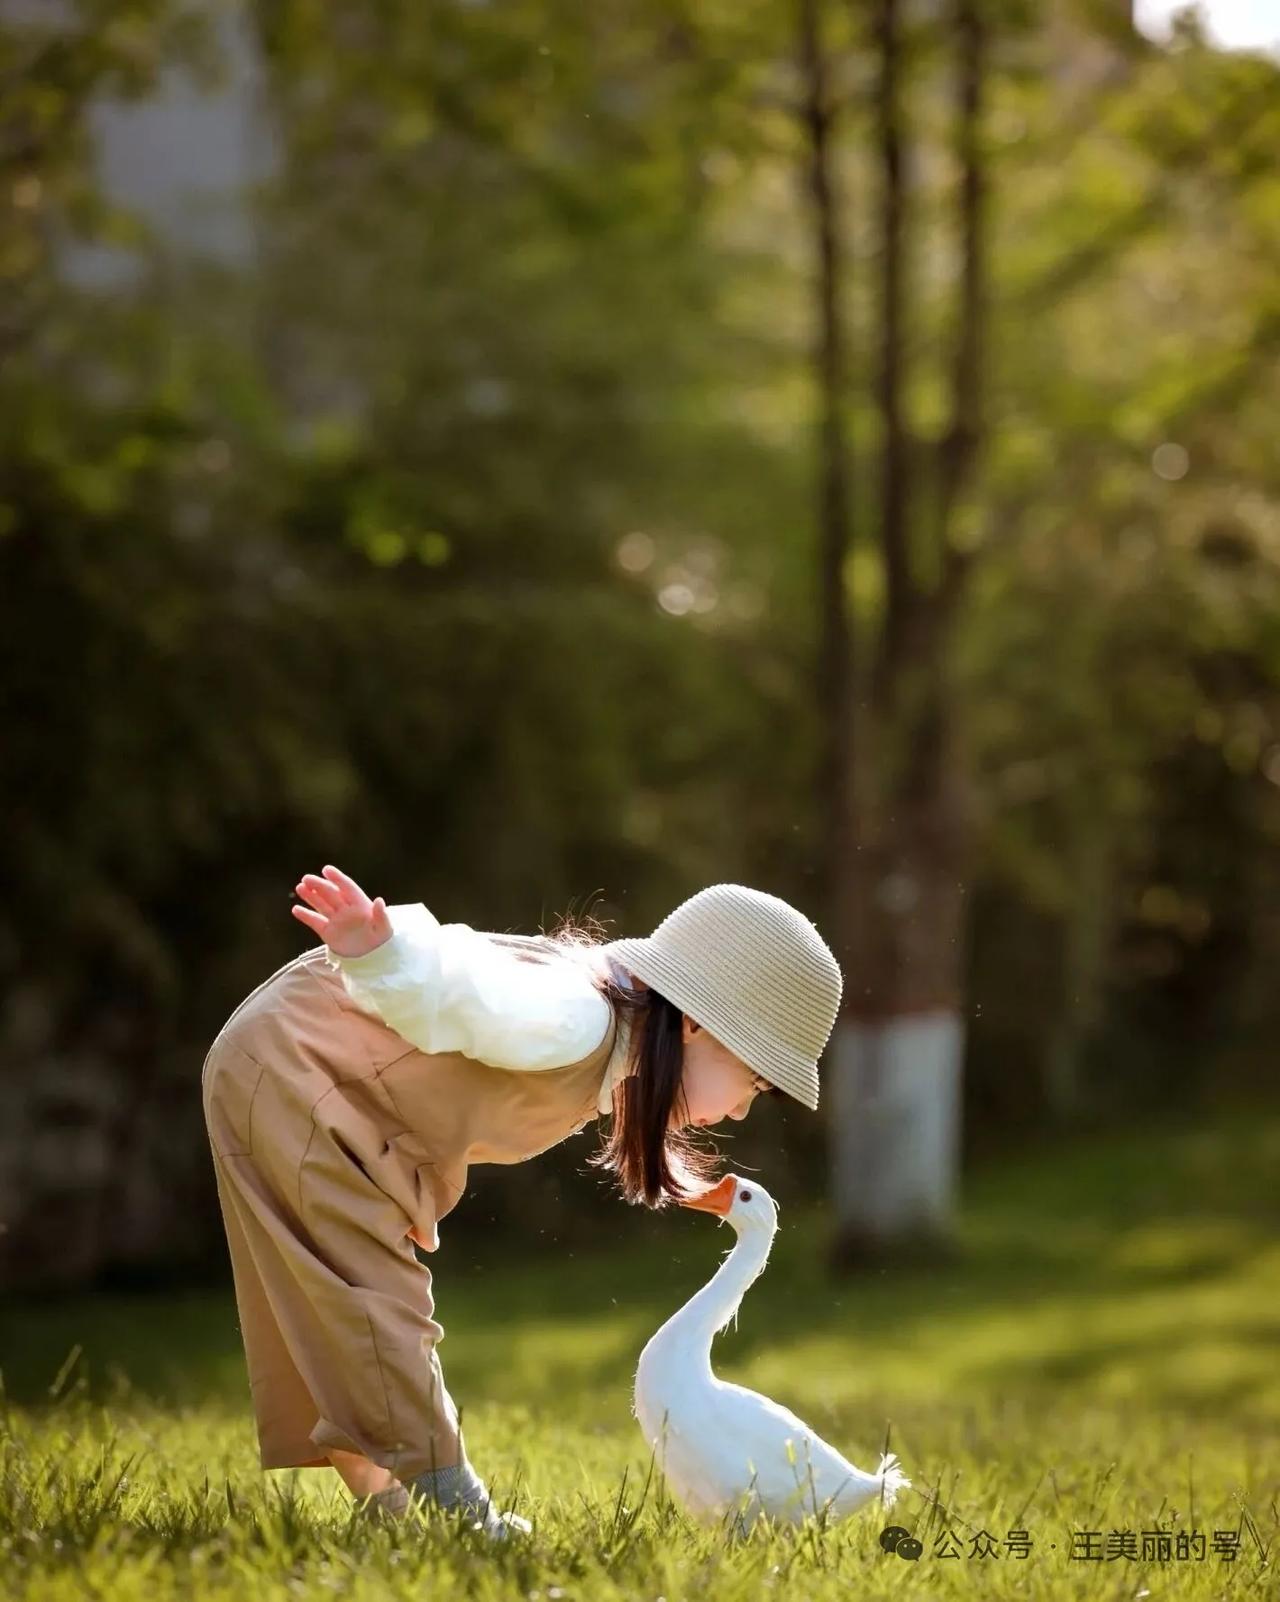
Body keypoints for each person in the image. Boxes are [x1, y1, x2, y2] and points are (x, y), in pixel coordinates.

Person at [201, 865, 843, 1538]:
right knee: (368, 1307)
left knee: (330, 1314)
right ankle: (458, 1514)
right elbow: (466, 990)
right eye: (753, 1079)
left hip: (294, 1077)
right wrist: (385, 955)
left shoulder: (606, 1034)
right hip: (302, 1075)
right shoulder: (578, 1018)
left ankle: (397, 1516)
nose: (741, 1111)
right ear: (694, 1025)